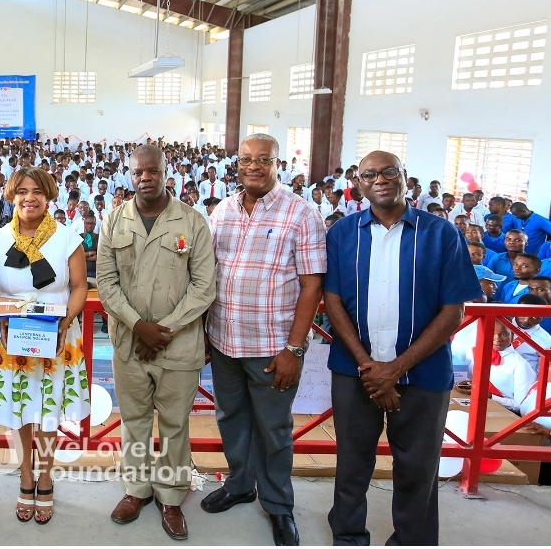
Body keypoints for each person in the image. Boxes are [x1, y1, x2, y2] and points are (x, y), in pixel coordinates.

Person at [323, 150, 480, 545]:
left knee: (418, 466)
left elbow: (453, 312)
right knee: (352, 460)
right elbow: (333, 302)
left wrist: (394, 369)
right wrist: (369, 365)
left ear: (405, 177)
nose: (380, 179)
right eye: (369, 174)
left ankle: (413, 540)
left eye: (389, 171)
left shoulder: (441, 234)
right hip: (355, 370)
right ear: (358, 184)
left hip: (423, 372)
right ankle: (348, 535)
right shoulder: (342, 234)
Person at [202, 134, 326, 547]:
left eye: (263, 159)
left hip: (273, 347)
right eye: (245, 159)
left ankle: (278, 505)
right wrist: (205, 332)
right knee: (231, 418)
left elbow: (312, 287)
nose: (253, 166)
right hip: (224, 339)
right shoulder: (223, 210)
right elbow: (209, 272)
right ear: (236, 164)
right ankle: (240, 485)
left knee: (274, 428)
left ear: (278, 164)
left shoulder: (301, 213)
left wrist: (294, 348)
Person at [99, 145, 216, 541]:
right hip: (129, 343)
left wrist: (161, 330)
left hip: (177, 344)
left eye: (153, 171)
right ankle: (136, 490)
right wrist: (138, 326)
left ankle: (170, 496)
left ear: (167, 172)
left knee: (173, 424)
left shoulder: (193, 222)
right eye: (138, 172)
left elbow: (204, 287)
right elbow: (107, 283)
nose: (145, 178)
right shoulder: (114, 221)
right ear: (129, 175)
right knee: (133, 421)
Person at [0, 166, 89, 525]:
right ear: (13, 195)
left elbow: (79, 286)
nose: (30, 198)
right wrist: (4, 314)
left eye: (37, 191)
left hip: (55, 334)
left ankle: (46, 477)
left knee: (47, 410)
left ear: (49, 196)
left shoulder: (67, 238)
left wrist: (65, 322)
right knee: (19, 408)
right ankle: (26, 477)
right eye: (23, 191)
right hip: (10, 334)